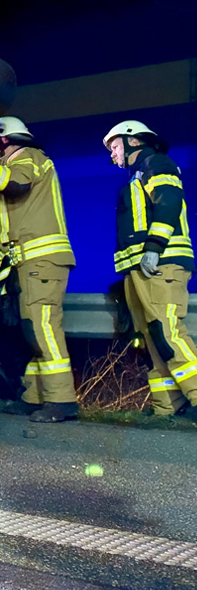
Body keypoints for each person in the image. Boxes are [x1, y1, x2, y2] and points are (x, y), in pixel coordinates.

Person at [0, 116, 78, 423]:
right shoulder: (8, 168)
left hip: (40, 261)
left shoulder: (29, 158)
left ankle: (62, 400)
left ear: (4, 138)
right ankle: (34, 398)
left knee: (43, 329)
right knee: (31, 331)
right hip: (24, 264)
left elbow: (15, 184)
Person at [103, 120, 196, 421]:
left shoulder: (158, 164)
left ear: (133, 142)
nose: (112, 154)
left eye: (115, 146)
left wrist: (155, 248)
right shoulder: (139, 175)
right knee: (152, 338)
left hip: (162, 263)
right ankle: (169, 407)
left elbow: (168, 202)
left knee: (167, 333)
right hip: (142, 270)